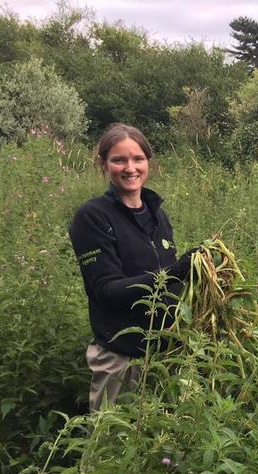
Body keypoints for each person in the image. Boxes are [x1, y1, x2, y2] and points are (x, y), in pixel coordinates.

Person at [69, 123, 197, 411]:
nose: (130, 168)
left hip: (166, 355)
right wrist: (173, 273)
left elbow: (168, 286)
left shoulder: (157, 215)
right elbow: (106, 289)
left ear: (148, 162)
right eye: (119, 160)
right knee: (112, 447)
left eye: (138, 159)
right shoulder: (93, 217)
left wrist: (197, 276)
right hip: (120, 357)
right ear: (103, 164)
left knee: (163, 446)